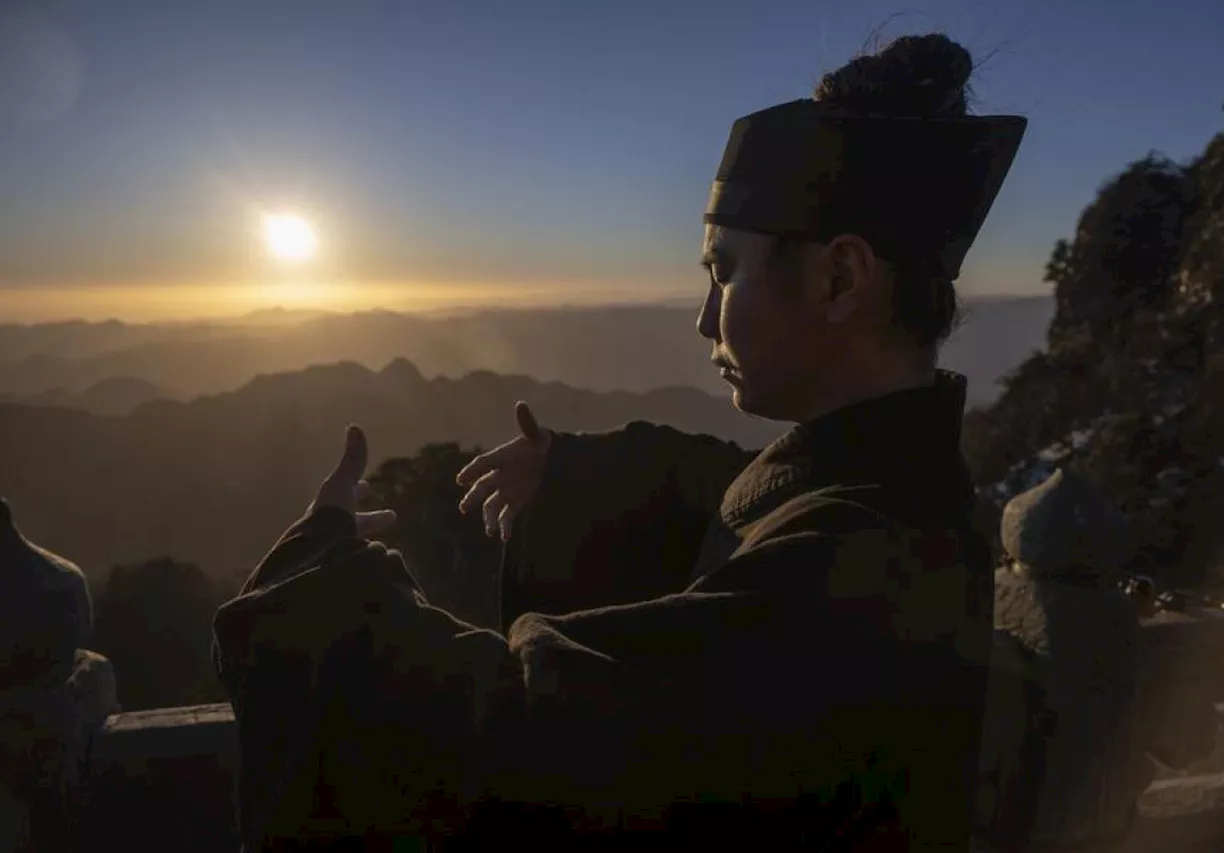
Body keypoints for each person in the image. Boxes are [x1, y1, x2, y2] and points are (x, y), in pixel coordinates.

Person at [213, 33, 1027, 851]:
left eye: (725, 271)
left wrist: (318, 590)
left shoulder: (861, 567)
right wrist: (573, 474)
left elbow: (525, 731)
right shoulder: (899, 495)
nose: (706, 318)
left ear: (839, 278)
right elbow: (739, 493)